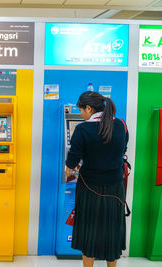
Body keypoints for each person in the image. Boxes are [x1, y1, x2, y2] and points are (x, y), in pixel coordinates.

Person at [65, 91, 128, 267]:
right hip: (115, 188)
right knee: (112, 230)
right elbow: (122, 149)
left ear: (89, 108)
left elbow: (72, 160)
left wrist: (69, 169)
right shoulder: (121, 125)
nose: (81, 114)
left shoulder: (83, 129)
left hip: (89, 188)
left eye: (81, 111)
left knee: (89, 231)